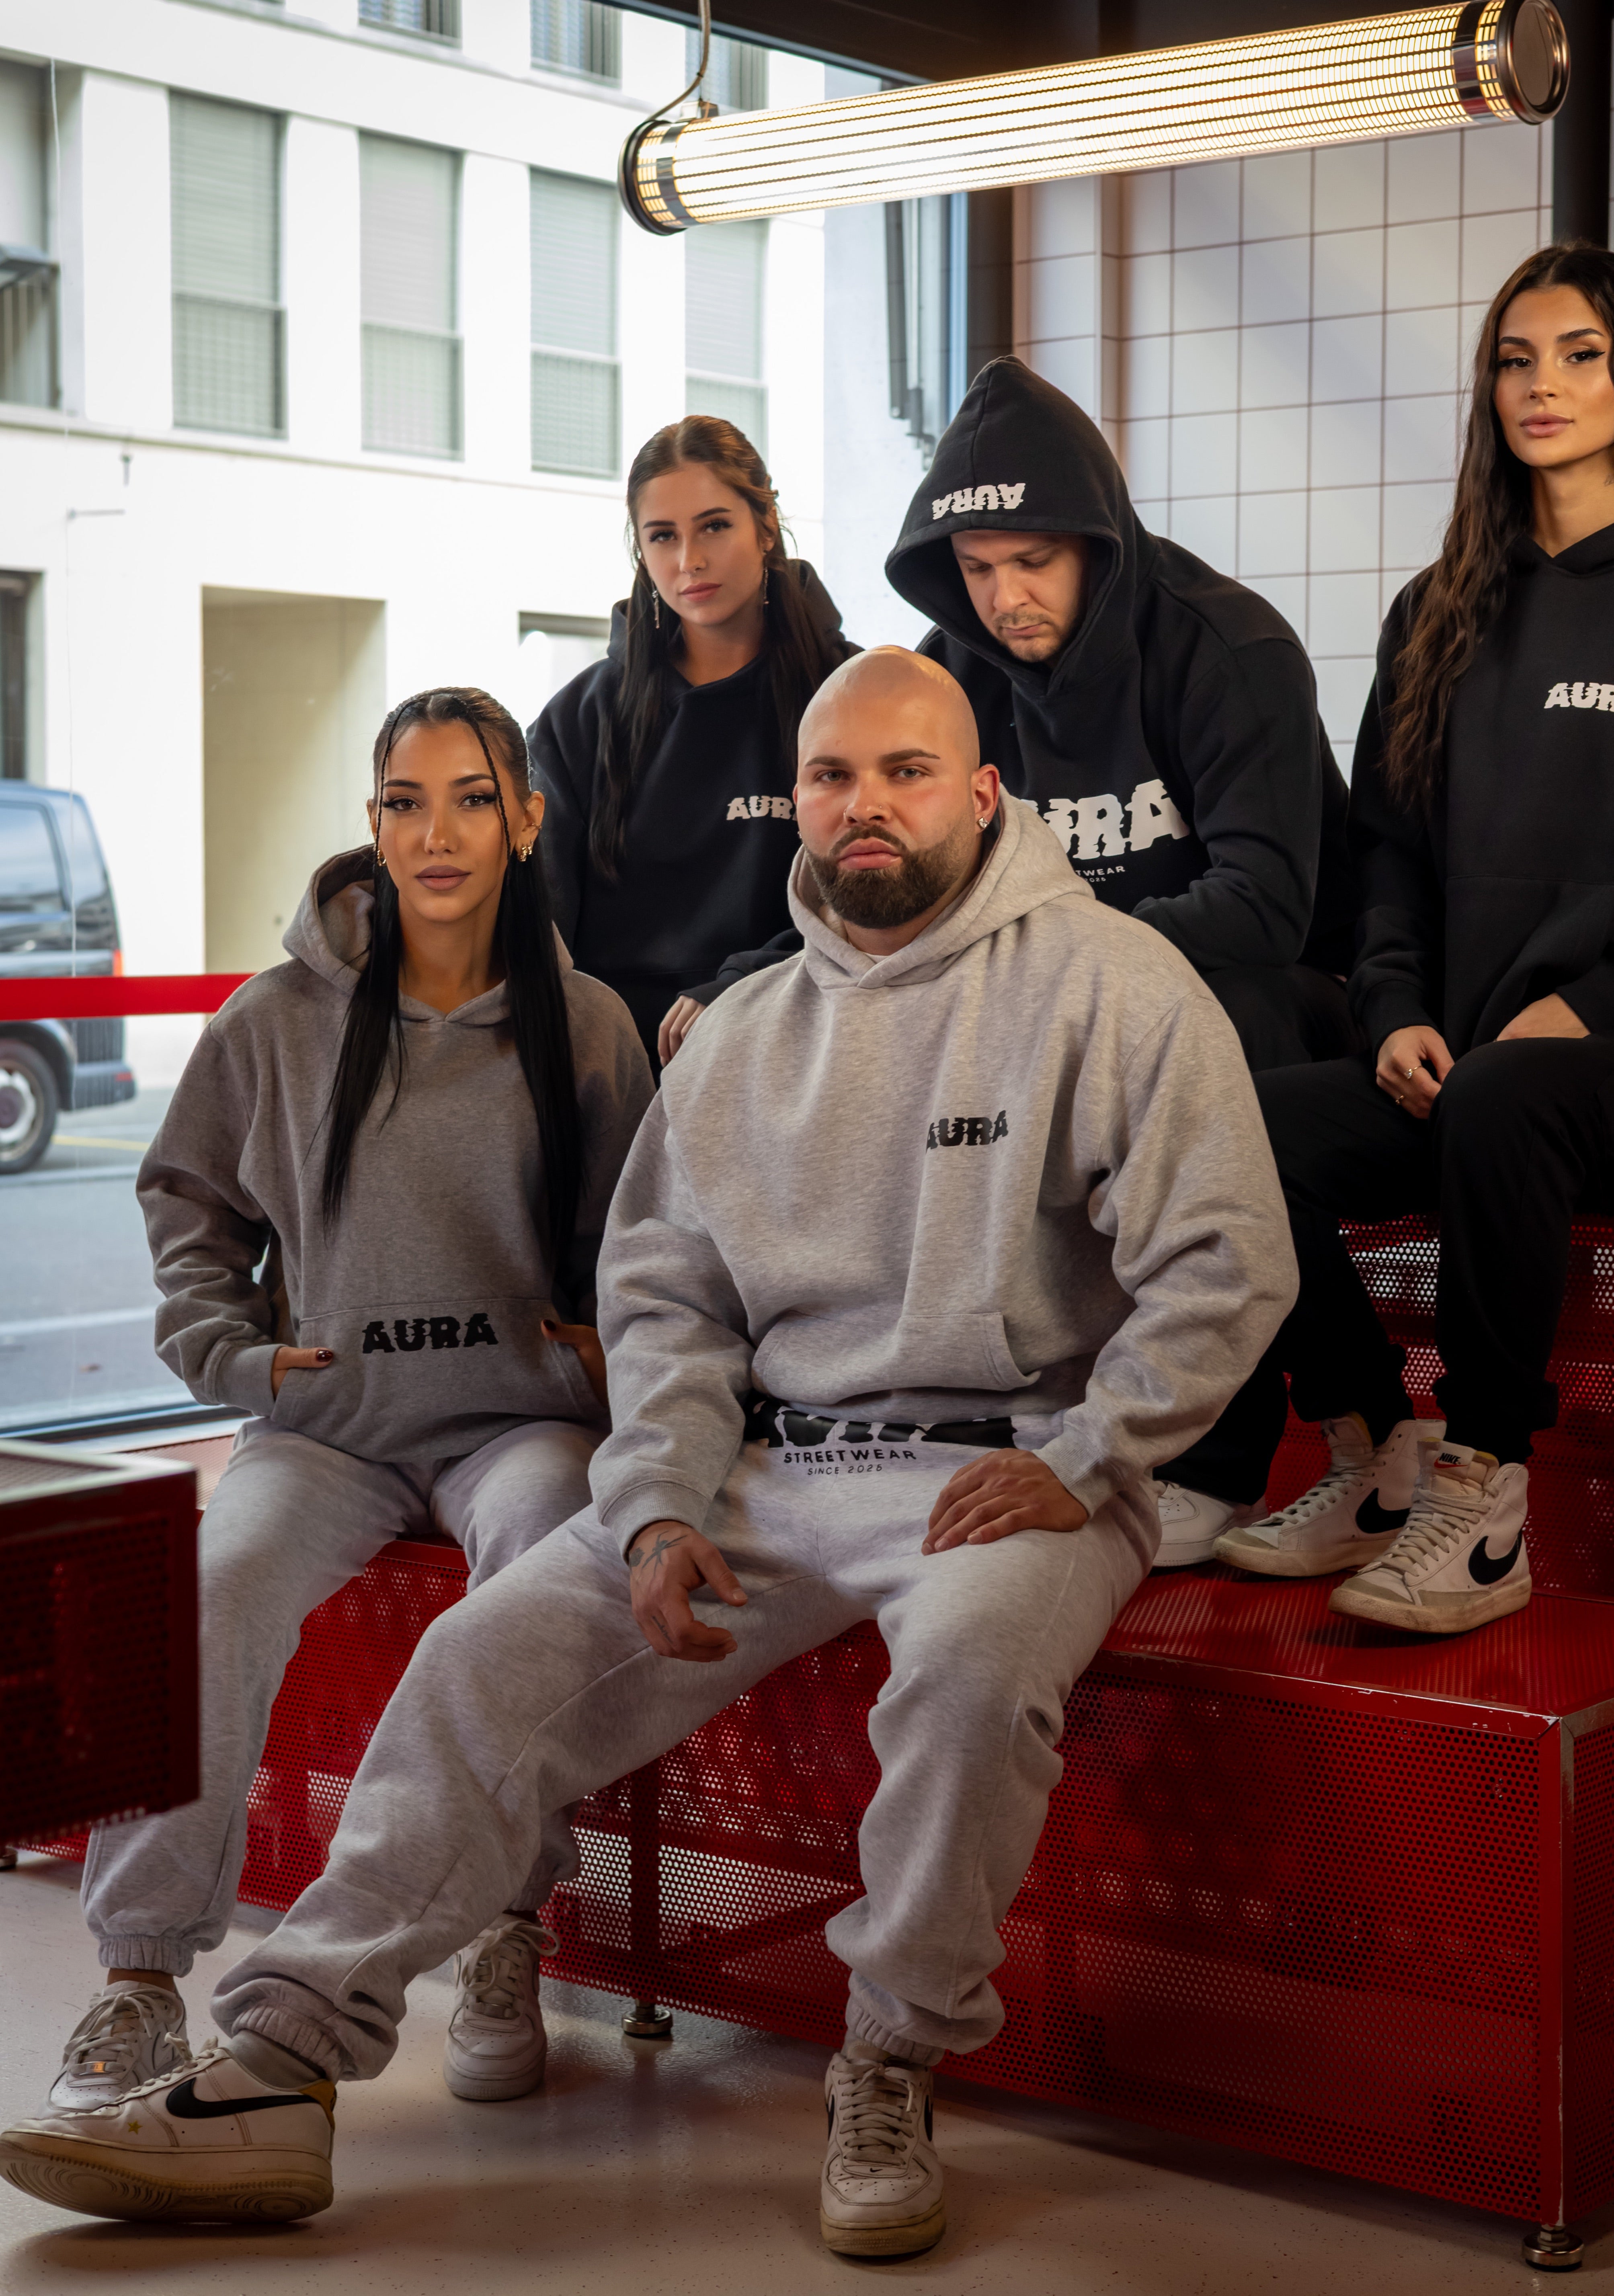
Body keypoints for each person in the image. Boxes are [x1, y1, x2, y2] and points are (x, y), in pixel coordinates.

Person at [0, 649, 1297, 2253]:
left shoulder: (1108, 985)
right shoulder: (745, 1031)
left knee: (968, 1680)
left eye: (905, 772)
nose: (866, 804)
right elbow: (667, 1303)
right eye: (833, 776)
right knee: (480, 1658)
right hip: (780, 1469)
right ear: (796, 804)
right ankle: (281, 2058)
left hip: (1013, 1471)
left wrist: (1095, 1451)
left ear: (981, 795)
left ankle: (888, 2059)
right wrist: (660, 1502)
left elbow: (1227, 1259)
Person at [23, 688, 652, 2129]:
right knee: (208, 1591)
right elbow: (187, 1203)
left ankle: (504, 1932)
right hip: (327, 1433)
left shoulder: (589, 1025)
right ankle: (137, 1978)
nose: (439, 833)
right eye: (406, 803)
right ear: (372, 823)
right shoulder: (280, 1018)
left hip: (517, 1426)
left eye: (473, 799)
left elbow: (647, 1245)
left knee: (544, 1565)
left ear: (526, 820)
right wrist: (236, 1360)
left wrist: (600, 1358)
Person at [1208, 243, 1614, 1635]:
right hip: (1469, 1068)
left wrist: (1585, 1008)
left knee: (1508, 1092)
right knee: (1231, 1124)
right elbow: (1387, 862)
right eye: (1515, 359)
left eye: (1579, 355)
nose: (1543, 386)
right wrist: (1393, 1012)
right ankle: (1374, 1449)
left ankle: (1483, 1496)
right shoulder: (1437, 612)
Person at [681, 357, 1358, 1564]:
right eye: (978, 570)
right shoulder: (960, 668)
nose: (1004, 599)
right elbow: (905, 867)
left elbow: (1267, 906)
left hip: (1275, 991)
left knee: (1207, 1036)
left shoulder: (1229, 646)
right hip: (1059, 997)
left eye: (1033, 562)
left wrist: (1059, 970)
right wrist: (752, 975)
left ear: (1097, 544)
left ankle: (1225, 1457)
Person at [528, 415, 855, 1068]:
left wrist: (745, 982)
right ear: (640, 551)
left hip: (806, 1047)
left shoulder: (849, 697)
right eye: (663, 536)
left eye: (714, 526)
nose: (689, 561)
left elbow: (883, 901)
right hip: (617, 1069)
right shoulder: (580, 720)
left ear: (766, 527)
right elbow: (538, 923)